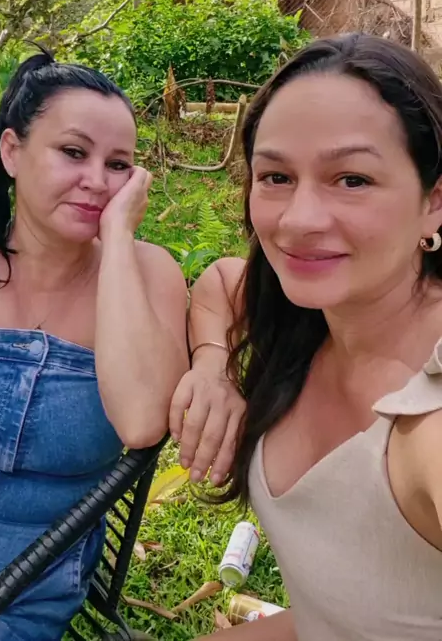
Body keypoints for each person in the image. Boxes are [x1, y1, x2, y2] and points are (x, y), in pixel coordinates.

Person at [0, 51, 237, 640]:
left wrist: (116, 239)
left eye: (118, 165)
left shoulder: (148, 272)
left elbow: (141, 420)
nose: (97, 180)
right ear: (12, 152)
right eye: (73, 152)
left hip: (27, 581)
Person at [189, 34, 442, 641]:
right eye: (276, 176)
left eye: (352, 179)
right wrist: (213, 369)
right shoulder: (309, 309)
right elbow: (219, 283)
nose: (299, 219)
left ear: (434, 203)